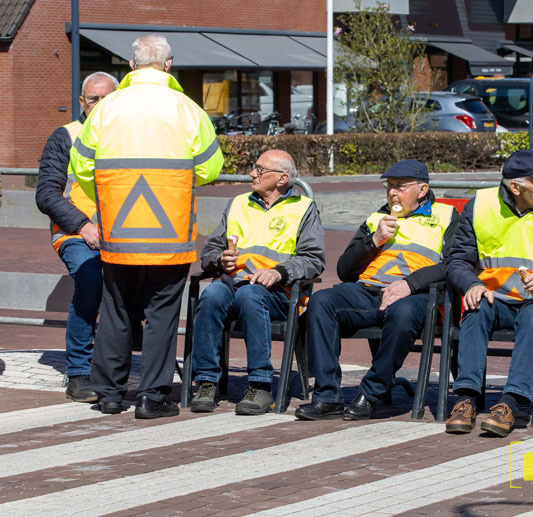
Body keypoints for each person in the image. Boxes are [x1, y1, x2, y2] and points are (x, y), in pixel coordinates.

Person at [70, 34, 224, 419]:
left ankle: (109, 394)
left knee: (116, 309)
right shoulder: (188, 109)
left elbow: (82, 166)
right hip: (170, 233)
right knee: (162, 315)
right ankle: (151, 397)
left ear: (132, 65)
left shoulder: (107, 108)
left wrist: (109, 197)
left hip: (119, 231)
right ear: (168, 65)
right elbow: (210, 168)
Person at [295, 159, 458, 421]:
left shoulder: (446, 216)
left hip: (416, 294)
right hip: (368, 291)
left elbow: (454, 264)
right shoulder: (376, 218)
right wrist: (374, 240)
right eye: (389, 186)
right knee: (322, 301)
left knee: (403, 313)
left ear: (422, 189)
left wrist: (410, 283)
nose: (393, 193)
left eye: (401, 187)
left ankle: (371, 393)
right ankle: (327, 397)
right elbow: (345, 270)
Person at [443, 150, 533, 437]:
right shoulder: (479, 206)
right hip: (493, 297)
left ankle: (510, 403)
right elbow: (457, 261)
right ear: (515, 187)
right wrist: (471, 284)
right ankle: (467, 398)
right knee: (475, 307)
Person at [189, 150, 325, 415]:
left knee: (250, 295)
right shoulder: (238, 203)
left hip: (279, 293)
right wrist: (220, 260)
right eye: (255, 168)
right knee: (212, 294)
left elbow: (314, 259)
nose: (252, 174)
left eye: (260, 170)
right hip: (233, 284)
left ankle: (260, 385)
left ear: (282, 178)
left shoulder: (303, 208)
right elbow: (210, 250)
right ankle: (206, 381)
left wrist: (280, 272)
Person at [35, 71, 118, 403]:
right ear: (82, 102)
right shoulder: (65, 136)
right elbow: (46, 194)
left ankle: (118, 359)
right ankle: (79, 371)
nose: (98, 104)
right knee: (90, 279)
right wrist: (83, 226)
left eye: (106, 98)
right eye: (92, 99)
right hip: (74, 232)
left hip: (124, 233)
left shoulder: (129, 136)